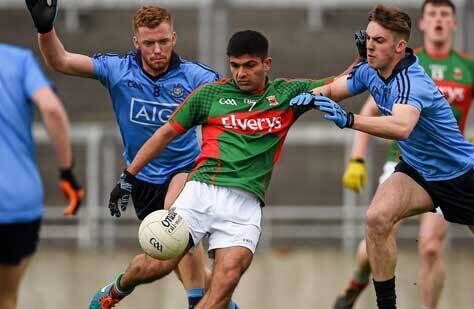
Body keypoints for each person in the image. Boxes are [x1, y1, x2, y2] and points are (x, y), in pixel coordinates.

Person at [290, 4, 474, 309]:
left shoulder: (413, 81)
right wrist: (292, 102)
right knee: (376, 218)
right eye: (367, 38)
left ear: (399, 46)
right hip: (417, 171)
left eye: (379, 41)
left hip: (459, 176)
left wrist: (349, 120)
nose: (369, 46)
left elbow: (401, 126)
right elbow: (333, 88)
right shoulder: (369, 70)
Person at [86, 29, 340, 309]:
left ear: (266, 64)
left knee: (223, 286)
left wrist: (366, 58)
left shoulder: (287, 94)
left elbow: (344, 84)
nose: (240, 73)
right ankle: (118, 289)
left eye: (249, 65)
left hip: (244, 207)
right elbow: (164, 134)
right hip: (201, 192)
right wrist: (128, 176)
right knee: (154, 266)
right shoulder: (211, 94)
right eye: (235, 65)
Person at [25, 0, 221, 307]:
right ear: (136, 43)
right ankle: (125, 288)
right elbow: (60, 60)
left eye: (163, 41)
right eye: (149, 43)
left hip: (185, 169)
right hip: (142, 177)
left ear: (174, 38)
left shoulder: (197, 78)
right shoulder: (118, 70)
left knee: (178, 225)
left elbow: (234, 103)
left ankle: (195, 302)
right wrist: (46, 30)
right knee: (167, 261)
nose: (157, 49)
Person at [334, 0, 474, 309]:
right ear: (424, 23)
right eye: (433, 14)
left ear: (454, 23)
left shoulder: (470, 68)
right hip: (402, 161)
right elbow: (369, 107)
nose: (440, 20)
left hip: (445, 166)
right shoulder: (398, 57)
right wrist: (357, 159)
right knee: (373, 237)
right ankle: (355, 285)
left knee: (430, 247)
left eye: (446, 14)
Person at [0, 43, 83, 309]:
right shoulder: (17, 60)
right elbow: (51, 109)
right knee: (6, 297)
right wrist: (66, 171)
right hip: (16, 203)